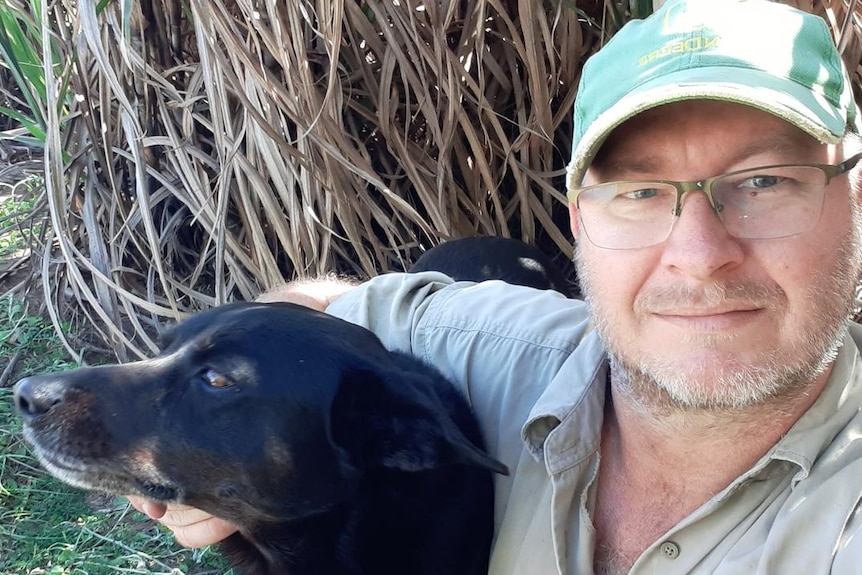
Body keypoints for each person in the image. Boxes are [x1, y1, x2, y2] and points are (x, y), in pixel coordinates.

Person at [129, 0, 862, 572]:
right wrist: (187, 421)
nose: (700, 255)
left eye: (764, 182)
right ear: (581, 222)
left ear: (854, 201)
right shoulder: (497, 349)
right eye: (639, 191)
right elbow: (311, 311)